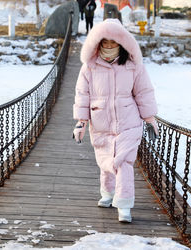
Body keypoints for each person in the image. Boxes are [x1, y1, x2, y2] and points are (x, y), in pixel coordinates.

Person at [73, 18, 158, 223]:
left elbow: (144, 92)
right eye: (105, 42)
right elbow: (82, 95)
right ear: (98, 43)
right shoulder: (89, 67)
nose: (109, 46)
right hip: (101, 122)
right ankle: (108, 193)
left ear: (122, 43)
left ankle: (125, 205)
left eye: (114, 41)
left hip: (129, 122)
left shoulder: (133, 66)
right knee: (106, 161)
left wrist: (150, 119)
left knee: (123, 162)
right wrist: (81, 122)